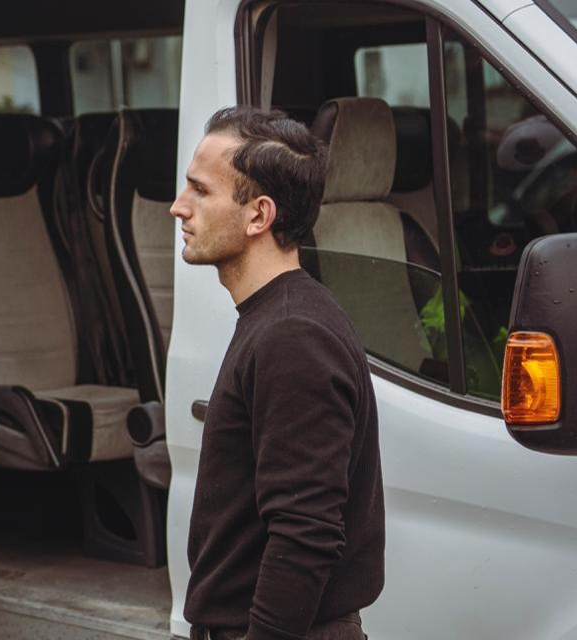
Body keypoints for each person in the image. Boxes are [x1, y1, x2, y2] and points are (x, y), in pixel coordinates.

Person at [174, 106, 384, 640]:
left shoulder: (293, 335)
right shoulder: (281, 315)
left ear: (258, 215)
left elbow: (305, 534)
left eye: (200, 191)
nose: (179, 208)